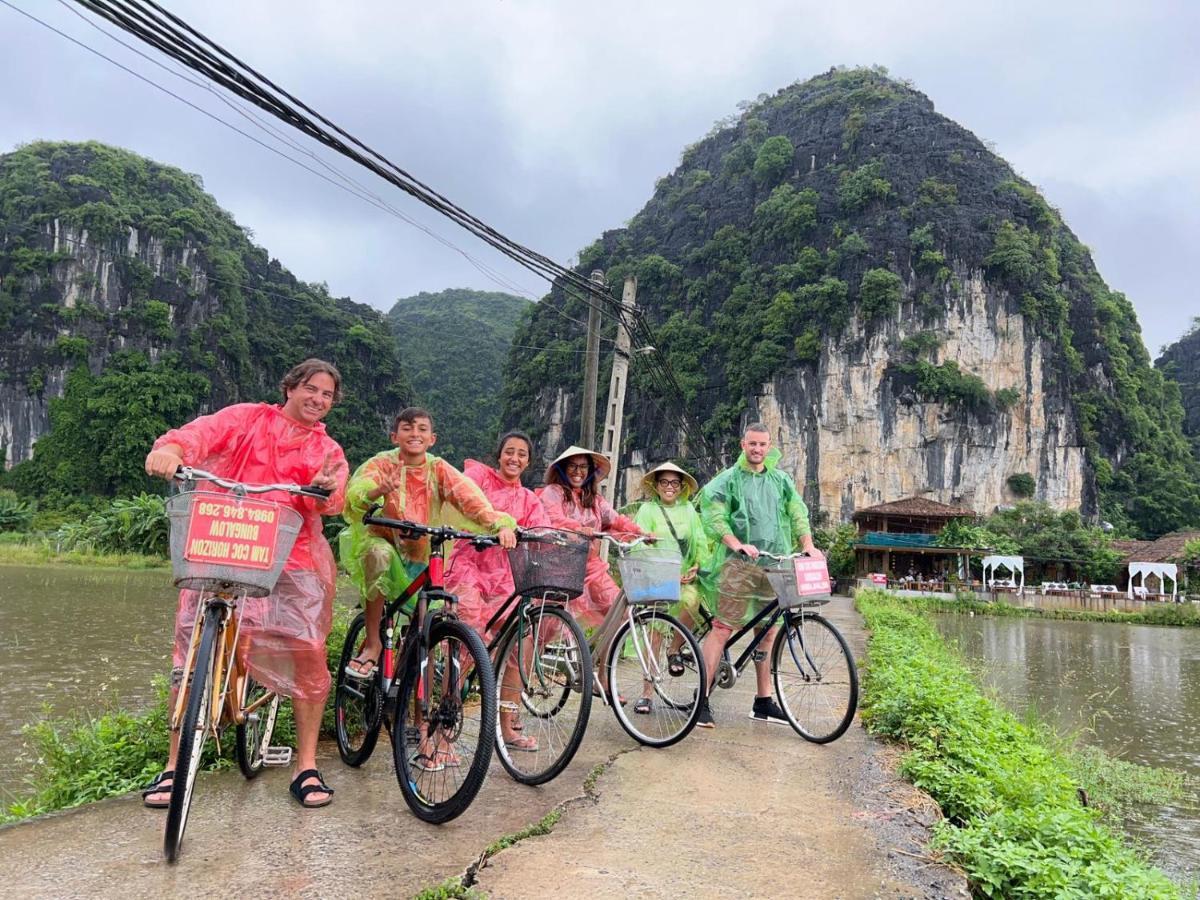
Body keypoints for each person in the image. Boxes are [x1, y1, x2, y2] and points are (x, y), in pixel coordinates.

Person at [142, 358, 349, 809]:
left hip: (289, 556)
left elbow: (334, 496)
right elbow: (198, 434)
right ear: (291, 387)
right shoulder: (246, 418)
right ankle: (174, 765)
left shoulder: (327, 449)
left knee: (309, 651)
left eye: (327, 395)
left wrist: (322, 488)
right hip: (222, 540)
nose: (318, 399)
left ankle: (307, 766)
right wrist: (172, 450)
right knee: (190, 654)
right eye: (311, 389)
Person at [338, 407, 517, 682]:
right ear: (394, 435)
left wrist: (500, 524)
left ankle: (420, 720)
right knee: (379, 555)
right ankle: (373, 641)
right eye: (407, 428)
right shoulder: (382, 463)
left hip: (421, 555)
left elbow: (471, 500)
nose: (415, 434)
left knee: (425, 632)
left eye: (422, 429)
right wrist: (377, 491)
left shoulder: (438, 469)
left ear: (432, 438)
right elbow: (356, 495)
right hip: (384, 541)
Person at [695, 423, 822, 729]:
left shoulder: (781, 480)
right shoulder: (729, 480)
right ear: (743, 445)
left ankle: (763, 701)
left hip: (774, 563)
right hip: (739, 565)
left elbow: (797, 512)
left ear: (769, 447)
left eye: (762, 444)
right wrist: (735, 543)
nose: (757, 449)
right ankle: (701, 700)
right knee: (723, 628)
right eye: (752, 444)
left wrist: (808, 545)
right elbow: (713, 512)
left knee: (768, 631)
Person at [445, 431, 551, 751]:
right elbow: (464, 497)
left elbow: (543, 531)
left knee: (520, 647)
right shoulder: (479, 477)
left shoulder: (529, 500)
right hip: (470, 567)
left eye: (521, 454)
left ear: (528, 461)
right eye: (509, 452)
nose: (514, 459)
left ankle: (508, 727)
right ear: (499, 454)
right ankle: (443, 732)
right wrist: (497, 524)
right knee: (468, 640)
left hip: (506, 577)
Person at [631, 462, 712, 715]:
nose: (669, 487)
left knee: (691, 601)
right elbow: (638, 543)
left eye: (674, 483)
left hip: (685, 579)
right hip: (658, 579)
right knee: (654, 633)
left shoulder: (689, 510)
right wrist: (666, 571)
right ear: (656, 486)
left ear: (682, 487)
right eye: (664, 482)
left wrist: (697, 565)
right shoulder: (647, 510)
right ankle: (647, 693)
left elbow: (699, 540)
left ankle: (675, 649)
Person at [536, 445, 648, 630]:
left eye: (583, 467)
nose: (578, 471)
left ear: (589, 471)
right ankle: (526, 659)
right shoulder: (553, 492)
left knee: (620, 612)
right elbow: (552, 518)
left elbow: (616, 519)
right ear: (563, 470)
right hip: (558, 568)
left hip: (590, 568)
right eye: (572, 466)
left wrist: (640, 533)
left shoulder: (594, 499)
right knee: (546, 628)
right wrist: (578, 528)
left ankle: (604, 659)